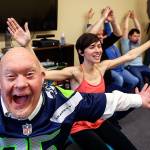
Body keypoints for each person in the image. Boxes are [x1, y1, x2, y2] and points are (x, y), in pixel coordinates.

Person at [7, 17, 150, 149]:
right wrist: (27, 45)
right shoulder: (75, 73)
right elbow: (43, 72)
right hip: (79, 126)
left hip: (98, 119)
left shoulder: (102, 66)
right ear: (81, 52)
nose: (98, 50)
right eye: (92, 47)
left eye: (99, 46)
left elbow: (130, 55)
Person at [104, 20, 139, 90]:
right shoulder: (103, 46)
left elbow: (110, 32)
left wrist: (107, 21)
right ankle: (117, 95)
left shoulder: (113, 45)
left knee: (135, 80)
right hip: (112, 70)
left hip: (121, 69)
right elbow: (90, 34)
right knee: (120, 79)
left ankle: (124, 92)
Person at [121, 10, 150, 89]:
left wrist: (134, 18)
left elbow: (138, 28)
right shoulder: (125, 44)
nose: (137, 38)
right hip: (130, 66)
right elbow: (125, 29)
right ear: (129, 36)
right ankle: (141, 98)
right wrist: (127, 18)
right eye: (135, 36)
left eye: (138, 36)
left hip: (141, 65)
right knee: (139, 79)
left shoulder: (137, 43)